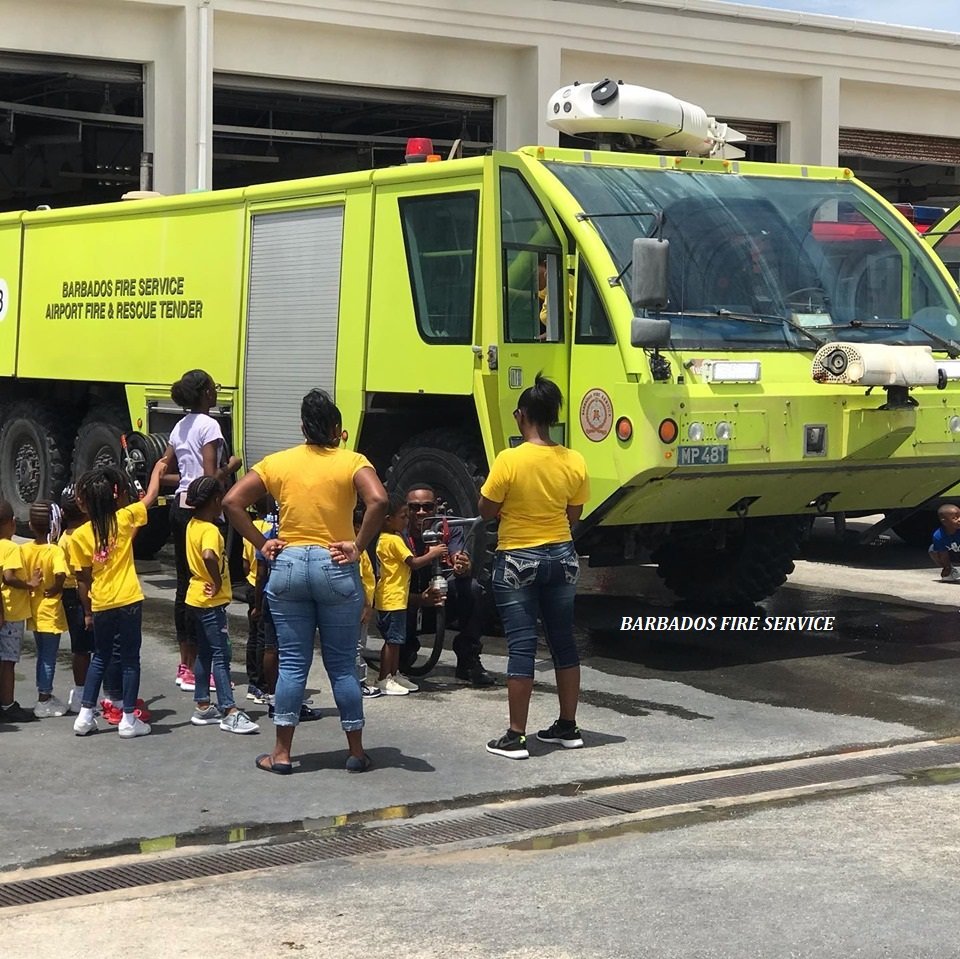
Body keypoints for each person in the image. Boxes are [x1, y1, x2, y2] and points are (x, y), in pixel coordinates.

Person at [223, 388, 388, 775]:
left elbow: (231, 501)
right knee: (344, 666)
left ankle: (281, 754)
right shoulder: (352, 461)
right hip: (335, 562)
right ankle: (356, 752)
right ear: (336, 428)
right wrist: (358, 545)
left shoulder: (279, 463)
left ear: (302, 427)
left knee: (293, 665)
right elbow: (378, 500)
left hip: (290, 564)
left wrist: (263, 544)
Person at [478, 373, 590, 760]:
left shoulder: (509, 459)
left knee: (522, 646)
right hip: (562, 555)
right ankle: (568, 726)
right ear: (553, 417)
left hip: (517, 557)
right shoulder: (573, 460)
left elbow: (486, 509)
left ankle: (516, 735)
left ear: (521, 415)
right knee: (563, 641)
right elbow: (574, 513)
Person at [71, 458, 167, 739]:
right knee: (130, 660)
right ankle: (127, 719)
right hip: (128, 600)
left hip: (101, 603)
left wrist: (87, 611)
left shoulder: (79, 536)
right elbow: (149, 498)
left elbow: (83, 578)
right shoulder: (123, 520)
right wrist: (157, 471)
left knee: (99, 657)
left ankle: (85, 715)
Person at [162, 369, 241, 692]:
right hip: (204, 510)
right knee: (210, 584)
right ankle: (205, 665)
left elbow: (167, 466)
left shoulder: (179, 426)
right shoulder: (209, 425)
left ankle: (186, 665)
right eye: (213, 387)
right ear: (206, 393)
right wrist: (232, 467)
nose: (215, 391)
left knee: (185, 585)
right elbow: (211, 477)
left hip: (180, 508)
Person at [183, 475, 258, 734]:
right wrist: (215, 581)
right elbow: (208, 556)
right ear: (216, 501)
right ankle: (229, 710)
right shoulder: (210, 530)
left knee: (205, 652)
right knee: (221, 656)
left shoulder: (192, 525)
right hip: (210, 601)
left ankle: (203, 705)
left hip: (195, 598)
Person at [402, 484, 495, 687]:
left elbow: (458, 556)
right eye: (414, 507)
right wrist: (420, 600)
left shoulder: (447, 528)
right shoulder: (395, 534)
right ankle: (403, 652)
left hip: (441, 602)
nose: (421, 513)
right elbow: (382, 590)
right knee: (392, 603)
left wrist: (463, 565)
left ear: (436, 507)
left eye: (427, 507)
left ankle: (468, 656)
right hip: (407, 603)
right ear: (405, 509)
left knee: (474, 589)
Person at [375, 495, 446, 696]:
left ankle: (394, 673)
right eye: (403, 516)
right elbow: (413, 563)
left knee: (397, 640)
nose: (407, 520)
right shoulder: (393, 540)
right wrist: (433, 553)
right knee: (391, 641)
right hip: (392, 598)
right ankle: (383, 677)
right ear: (388, 519)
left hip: (396, 597)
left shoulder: (387, 539)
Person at [21, 500, 69, 717]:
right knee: (49, 656)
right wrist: (57, 587)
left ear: (30, 525)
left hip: (33, 607)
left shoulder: (25, 550)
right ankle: (44, 699)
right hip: (50, 609)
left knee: (42, 654)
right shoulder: (55, 551)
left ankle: (44, 694)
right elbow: (61, 573)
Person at [0, 499, 41, 723]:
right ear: (11, 524)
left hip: (2, 610)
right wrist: (30, 584)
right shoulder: (11, 548)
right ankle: (7, 704)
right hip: (11, 613)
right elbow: (9, 577)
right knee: (8, 661)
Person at [59, 486, 95, 714]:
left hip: (71, 594)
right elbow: (82, 576)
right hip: (79, 594)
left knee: (81, 646)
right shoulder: (80, 538)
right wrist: (89, 611)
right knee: (83, 647)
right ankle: (82, 693)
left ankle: (83, 691)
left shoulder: (64, 537)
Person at [243, 495, 277, 703]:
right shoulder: (272, 530)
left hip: (250, 583)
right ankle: (263, 686)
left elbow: (246, 563)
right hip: (263, 587)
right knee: (267, 641)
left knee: (253, 636)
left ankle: (253, 681)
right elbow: (262, 570)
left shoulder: (250, 528)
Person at [355, 505, 382, 699]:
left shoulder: (360, 550)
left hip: (360, 605)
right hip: (358, 606)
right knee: (356, 647)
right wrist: (366, 606)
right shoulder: (356, 550)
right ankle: (359, 684)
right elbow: (359, 581)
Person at [930, 504, 960, 581]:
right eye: (955, 518)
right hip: (954, 555)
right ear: (945, 522)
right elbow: (943, 554)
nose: (959, 520)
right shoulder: (938, 536)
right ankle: (951, 570)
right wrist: (947, 567)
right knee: (932, 549)